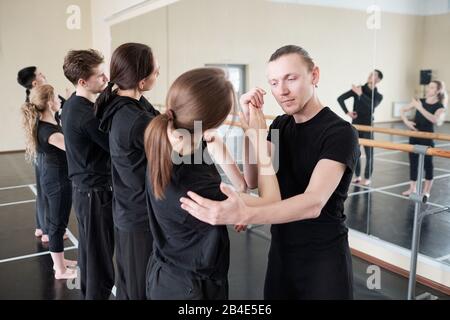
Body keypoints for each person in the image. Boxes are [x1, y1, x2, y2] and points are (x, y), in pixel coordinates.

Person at [180, 45, 360, 300]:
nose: (282, 91)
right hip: (281, 252)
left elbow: (313, 203)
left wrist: (247, 211)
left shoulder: (340, 133)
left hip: (323, 260)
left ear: (315, 76)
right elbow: (253, 179)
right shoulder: (280, 125)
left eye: (291, 78)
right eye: (274, 83)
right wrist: (248, 124)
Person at [144, 67, 278, 300]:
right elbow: (272, 204)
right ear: (213, 122)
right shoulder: (199, 186)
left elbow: (244, 184)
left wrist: (242, 194)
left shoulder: (168, 144)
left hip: (164, 275)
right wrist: (257, 135)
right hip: (192, 290)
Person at [95, 43, 160, 300]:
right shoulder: (134, 119)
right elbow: (178, 148)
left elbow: (158, 118)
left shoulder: (126, 105)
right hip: (137, 215)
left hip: (129, 208)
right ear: (142, 82)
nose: (158, 75)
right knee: (136, 289)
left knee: (130, 284)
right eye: (156, 72)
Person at [61, 49, 114, 299]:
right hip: (94, 193)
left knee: (90, 254)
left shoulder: (74, 103)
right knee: (98, 261)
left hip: (86, 192)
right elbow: (116, 147)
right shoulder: (85, 115)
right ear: (83, 82)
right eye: (100, 75)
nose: (106, 79)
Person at [21, 84, 77, 280]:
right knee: (56, 225)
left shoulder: (50, 123)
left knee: (59, 222)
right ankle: (59, 270)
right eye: (55, 97)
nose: (59, 100)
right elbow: (74, 149)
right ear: (48, 102)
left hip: (57, 178)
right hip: (57, 181)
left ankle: (59, 261)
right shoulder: (49, 132)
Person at [17, 66, 69, 242]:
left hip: (45, 155)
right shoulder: (40, 104)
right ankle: (48, 229)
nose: (44, 75)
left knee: (43, 190)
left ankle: (42, 227)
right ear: (34, 82)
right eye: (40, 74)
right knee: (48, 192)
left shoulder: (35, 103)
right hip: (47, 157)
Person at [401, 80, 447, 198]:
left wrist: (420, 108)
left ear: (438, 91)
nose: (428, 89)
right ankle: (412, 188)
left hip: (427, 137)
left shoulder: (440, 106)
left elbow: (434, 119)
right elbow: (402, 110)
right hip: (415, 134)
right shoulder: (420, 101)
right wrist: (406, 121)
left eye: (431, 88)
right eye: (428, 87)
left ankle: (426, 191)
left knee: (428, 164)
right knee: (413, 162)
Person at [338, 70, 383, 186]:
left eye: (373, 75)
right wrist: (347, 112)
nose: (369, 75)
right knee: (355, 153)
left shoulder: (378, 96)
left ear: (378, 80)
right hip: (356, 125)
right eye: (370, 73)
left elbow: (371, 106)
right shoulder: (359, 88)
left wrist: (360, 94)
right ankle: (357, 175)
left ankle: (367, 177)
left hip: (368, 126)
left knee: (369, 154)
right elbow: (340, 98)